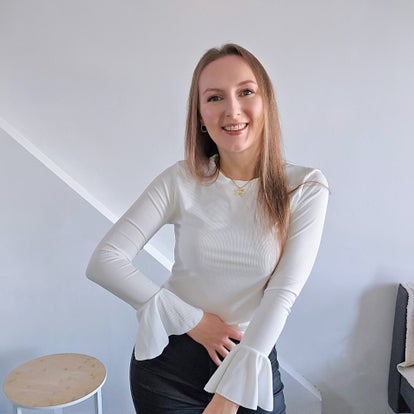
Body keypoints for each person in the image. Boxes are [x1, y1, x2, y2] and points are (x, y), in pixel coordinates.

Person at [86, 43, 329, 414]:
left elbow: (283, 293)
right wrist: (192, 320)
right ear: (200, 116)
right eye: (215, 97)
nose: (232, 110)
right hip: (168, 372)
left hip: (249, 365)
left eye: (246, 92)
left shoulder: (305, 187)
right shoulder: (180, 180)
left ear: (266, 102)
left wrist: (229, 397)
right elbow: (105, 260)